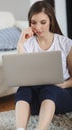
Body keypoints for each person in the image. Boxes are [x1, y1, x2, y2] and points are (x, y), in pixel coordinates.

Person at [15, 1, 72, 130]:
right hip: (37, 100)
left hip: (61, 94)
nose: (38, 27)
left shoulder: (65, 43)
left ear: (51, 21)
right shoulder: (28, 44)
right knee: (23, 89)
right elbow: (22, 76)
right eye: (33, 22)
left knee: (50, 88)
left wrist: (62, 84)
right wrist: (20, 44)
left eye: (43, 22)